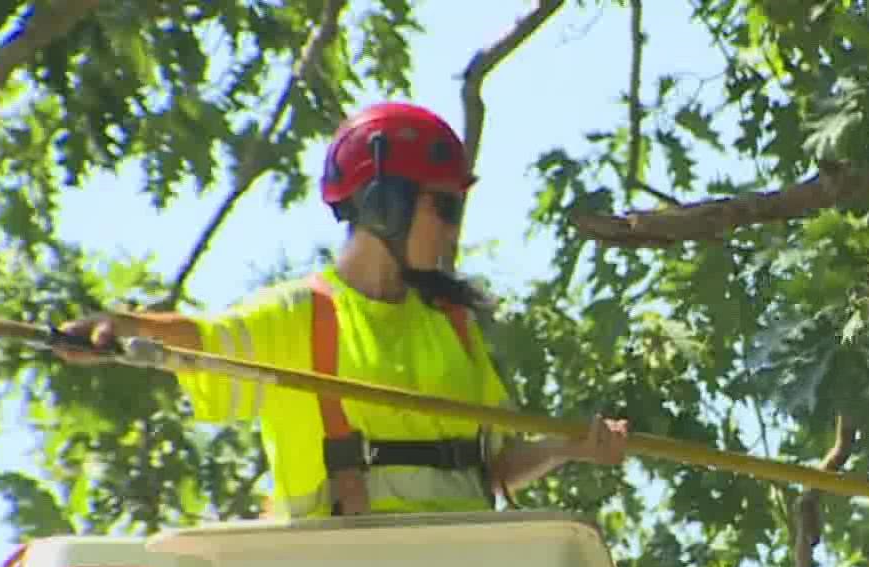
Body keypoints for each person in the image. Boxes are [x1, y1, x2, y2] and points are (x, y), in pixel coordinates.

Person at [55, 101, 628, 518]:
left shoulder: (452, 325)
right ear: (386, 204)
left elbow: (497, 466)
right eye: (445, 206)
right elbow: (202, 341)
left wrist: (568, 445)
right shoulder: (304, 315)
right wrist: (124, 326)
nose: (454, 228)